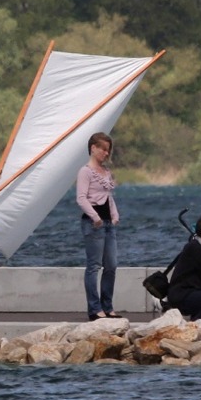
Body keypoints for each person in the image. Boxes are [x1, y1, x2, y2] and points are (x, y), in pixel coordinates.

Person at [77, 132, 121, 321]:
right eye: (102, 149)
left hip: (108, 224)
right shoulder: (85, 172)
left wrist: (114, 214)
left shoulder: (106, 173)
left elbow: (108, 197)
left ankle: (107, 305)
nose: (105, 153)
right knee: (94, 266)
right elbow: (81, 198)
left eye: (107, 150)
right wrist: (95, 217)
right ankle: (95, 309)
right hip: (93, 224)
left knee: (111, 265)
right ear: (93, 148)